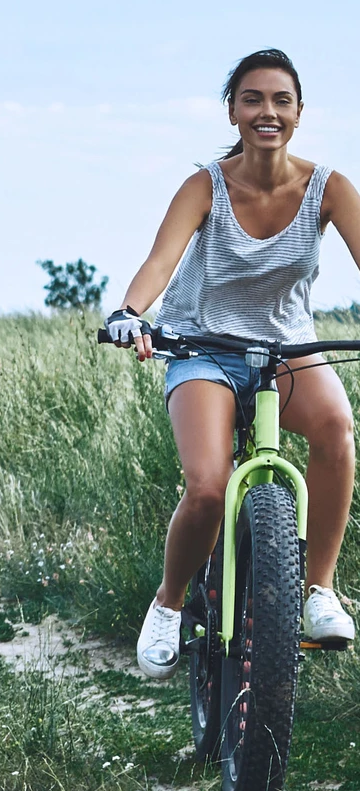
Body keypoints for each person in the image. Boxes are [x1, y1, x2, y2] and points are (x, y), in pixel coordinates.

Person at [107, 48, 359, 679]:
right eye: (253, 99)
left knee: (336, 432)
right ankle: (168, 602)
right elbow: (161, 262)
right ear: (232, 111)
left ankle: (318, 591)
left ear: (299, 113)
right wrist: (132, 312)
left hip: (285, 349)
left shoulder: (329, 189)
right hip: (202, 347)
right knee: (208, 487)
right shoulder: (205, 186)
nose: (267, 112)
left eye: (281, 100)